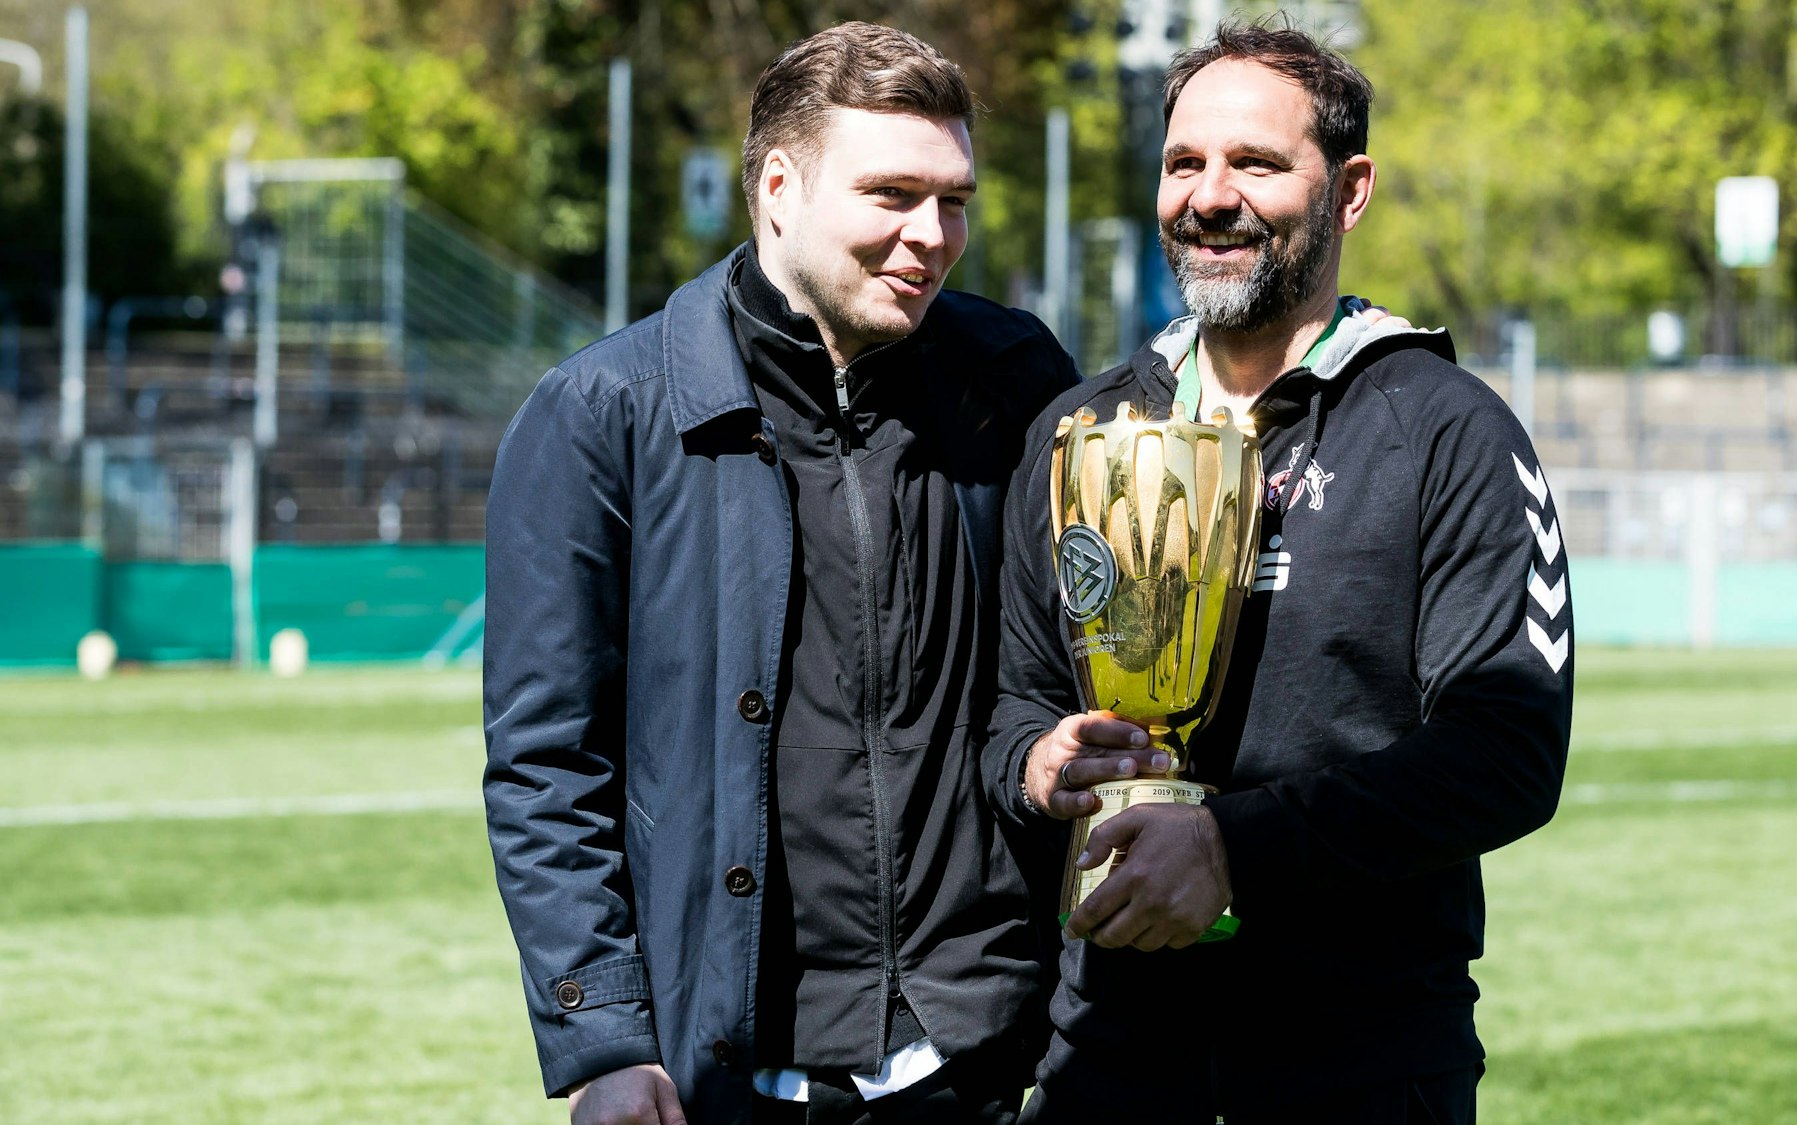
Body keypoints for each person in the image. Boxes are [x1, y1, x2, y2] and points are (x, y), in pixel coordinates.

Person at [483, 23, 1081, 1125]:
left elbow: (1051, 678)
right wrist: (602, 1040)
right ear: (775, 186)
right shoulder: (601, 414)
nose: (930, 236)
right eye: (890, 194)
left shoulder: (1018, 378)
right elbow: (543, 767)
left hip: (989, 1066)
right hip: (726, 1077)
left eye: (954, 200)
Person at [987, 22, 1574, 1125]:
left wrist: (1231, 849)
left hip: (1355, 1071)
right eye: (1183, 163)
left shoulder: (1447, 432)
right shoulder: (1079, 430)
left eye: (1254, 163)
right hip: (1101, 1065)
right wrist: (1037, 759)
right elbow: (1009, 698)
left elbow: (1507, 754)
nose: (1210, 197)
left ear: (1347, 191)